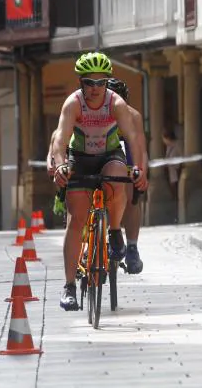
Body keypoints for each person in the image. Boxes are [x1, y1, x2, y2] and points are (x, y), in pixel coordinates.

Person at [51, 52, 148, 311]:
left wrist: (137, 169)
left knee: (118, 176)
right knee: (76, 221)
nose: (95, 89)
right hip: (80, 157)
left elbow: (133, 139)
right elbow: (60, 140)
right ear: (81, 83)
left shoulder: (115, 103)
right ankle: (69, 286)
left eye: (101, 83)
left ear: (107, 82)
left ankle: (115, 231)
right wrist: (60, 164)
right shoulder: (73, 104)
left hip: (109, 154)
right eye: (89, 83)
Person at [105, 77, 147, 274]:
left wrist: (141, 173)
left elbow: (140, 148)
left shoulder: (133, 116)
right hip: (102, 153)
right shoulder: (95, 114)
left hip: (126, 154)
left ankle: (132, 247)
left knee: (132, 198)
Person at [162, 127, 181, 201]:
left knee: (177, 190)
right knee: (173, 191)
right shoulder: (168, 147)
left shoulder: (177, 145)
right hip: (171, 173)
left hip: (177, 171)